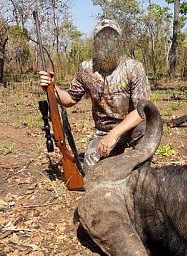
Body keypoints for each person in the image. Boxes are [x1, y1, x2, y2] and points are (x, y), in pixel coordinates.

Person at [39, 19, 151, 173]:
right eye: (102, 38)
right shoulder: (86, 69)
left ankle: (141, 170)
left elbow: (142, 110)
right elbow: (70, 99)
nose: (107, 42)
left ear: (120, 42)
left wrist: (114, 134)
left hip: (131, 128)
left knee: (148, 129)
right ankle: (116, 161)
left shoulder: (133, 68)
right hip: (103, 132)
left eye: (112, 38)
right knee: (90, 172)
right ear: (95, 43)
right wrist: (52, 86)